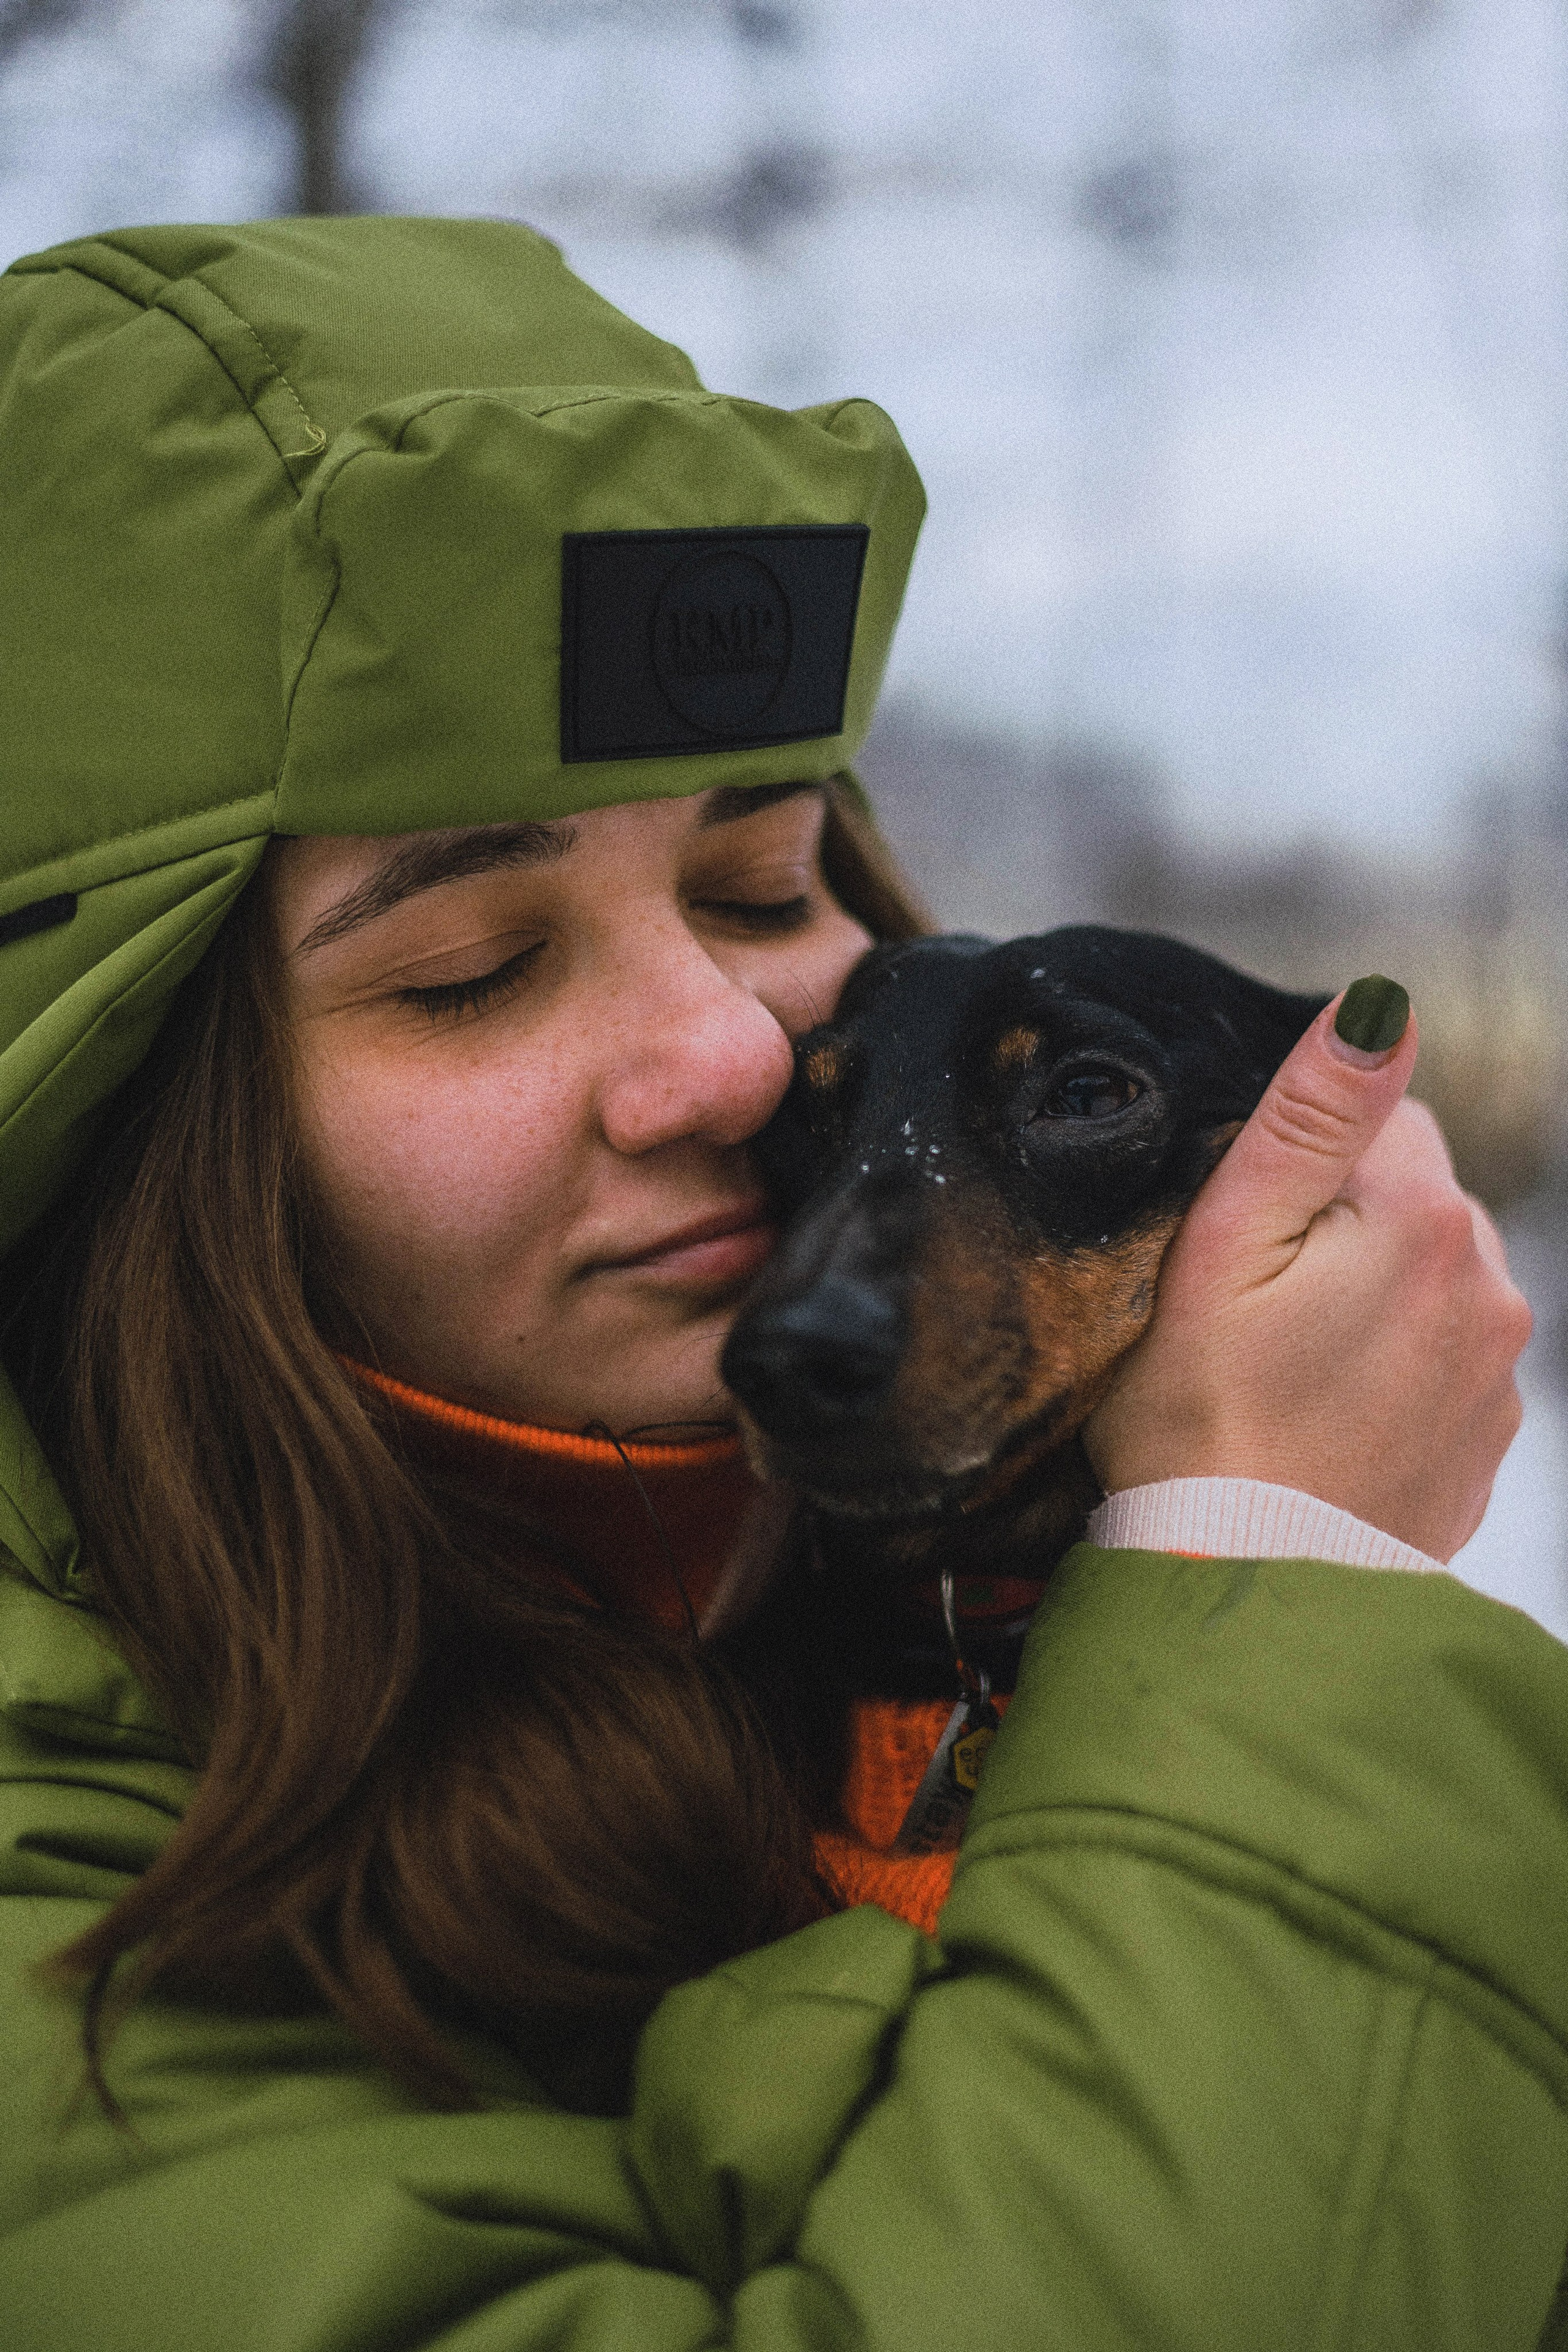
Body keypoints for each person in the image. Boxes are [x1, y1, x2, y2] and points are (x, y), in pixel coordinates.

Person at [0, 215, 1562, 2351]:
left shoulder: (867, 1589)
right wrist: (1270, 1588)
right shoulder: (58, 1882)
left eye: (758, 885)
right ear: (122, 1116)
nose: (743, 1059)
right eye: (473, 971)